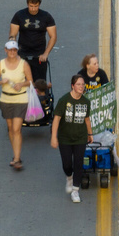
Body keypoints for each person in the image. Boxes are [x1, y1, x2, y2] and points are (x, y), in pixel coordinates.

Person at [50, 72, 92, 204]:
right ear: (72, 86)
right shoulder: (64, 100)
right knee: (67, 164)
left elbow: (87, 119)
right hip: (65, 138)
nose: (81, 87)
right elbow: (56, 119)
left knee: (78, 163)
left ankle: (75, 190)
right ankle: (69, 177)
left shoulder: (86, 102)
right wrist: (54, 137)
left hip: (80, 138)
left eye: (83, 84)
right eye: (78, 84)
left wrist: (90, 134)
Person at [0, 40, 33, 170]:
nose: (12, 52)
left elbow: (30, 81)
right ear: (5, 50)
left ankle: (16, 159)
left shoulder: (23, 64)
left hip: (21, 99)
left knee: (16, 129)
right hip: (5, 99)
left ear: (17, 51)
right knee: (10, 128)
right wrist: (1, 82)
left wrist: (21, 84)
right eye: (10, 50)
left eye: (14, 50)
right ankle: (16, 155)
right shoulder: (1, 64)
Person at [9, 0, 57, 80]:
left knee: (39, 83)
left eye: (36, 6)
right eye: (31, 6)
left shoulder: (46, 16)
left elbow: (53, 36)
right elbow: (13, 35)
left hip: (39, 55)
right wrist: (14, 51)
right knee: (20, 82)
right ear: (27, 4)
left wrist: (46, 54)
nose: (33, 9)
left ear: (39, 4)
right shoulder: (19, 15)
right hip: (22, 53)